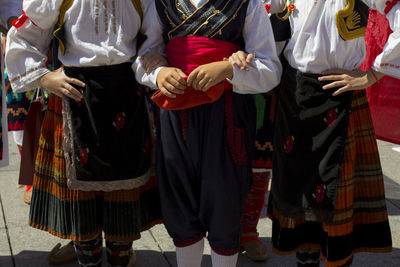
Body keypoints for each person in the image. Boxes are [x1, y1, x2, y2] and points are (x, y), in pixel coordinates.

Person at [229, 0, 398, 266]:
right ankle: (304, 260)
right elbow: (256, 20)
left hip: (342, 95)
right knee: (299, 194)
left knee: (336, 196)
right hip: (294, 93)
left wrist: (372, 74)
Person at [6, 1, 163, 266]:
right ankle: (87, 257)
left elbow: (154, 41)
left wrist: (153, 59)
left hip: (125, 97)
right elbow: (24, 36)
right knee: (80, 204)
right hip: (74, 95)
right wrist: (44, 78)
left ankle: (120, 256)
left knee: (123, 201)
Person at [134, 0, 282, 266]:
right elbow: (145, 56)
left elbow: (270, 69)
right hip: (176, 113)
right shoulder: (159, 4)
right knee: (178, 200)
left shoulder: (248, 4)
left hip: (227, 116)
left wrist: (228, 70)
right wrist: (158, 73)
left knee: (224, 200)